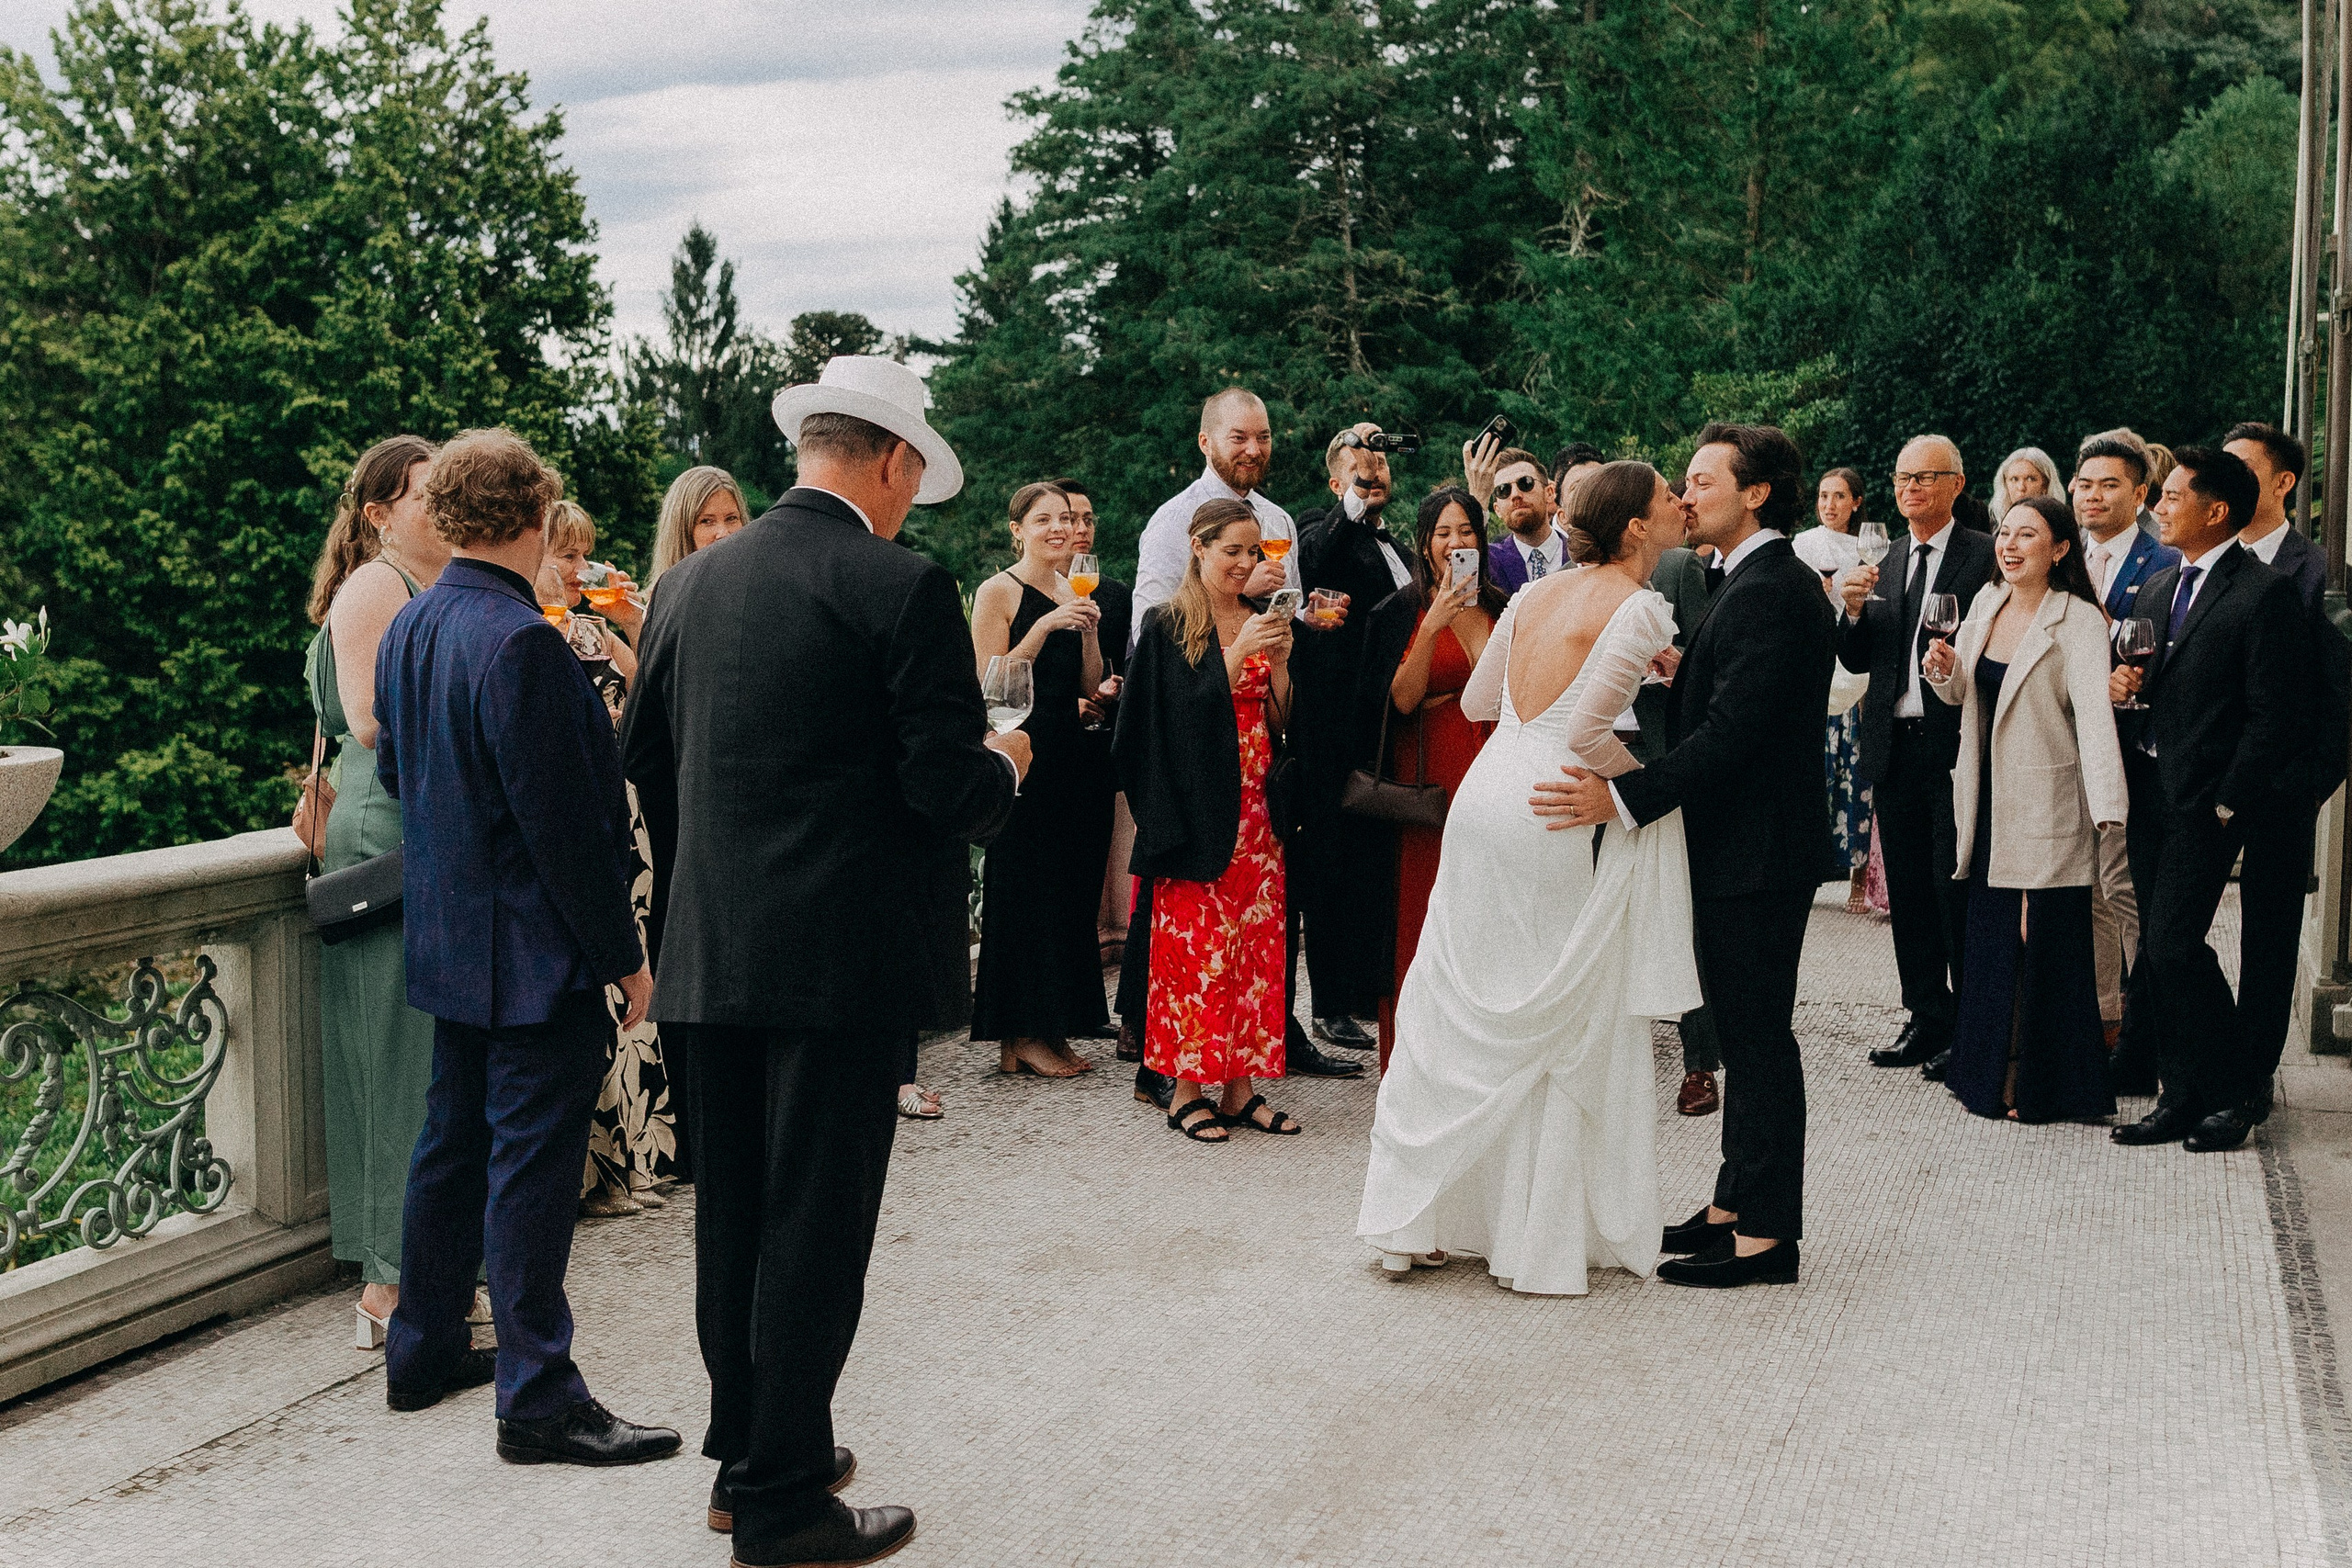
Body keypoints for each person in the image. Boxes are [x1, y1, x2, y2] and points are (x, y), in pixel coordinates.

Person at [623, 356, 1026, 1566]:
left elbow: (642, 762)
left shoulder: (686, 585)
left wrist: (698, 898)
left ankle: (745, 1449)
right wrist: (1011, 762)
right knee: (816, 1221)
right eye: (918, 475)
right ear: (895, 461)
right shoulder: (900, 584)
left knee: (734, 1212)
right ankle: (785, 1496)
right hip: (841, 958)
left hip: (709, 948)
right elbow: (946, 787)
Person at [373, 428, 676, 1466]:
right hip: (532, 953)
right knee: (529, 1172)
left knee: (449, 1151)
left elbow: (397, 784)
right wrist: (626, 957)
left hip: (451, 938)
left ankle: (417, 1353)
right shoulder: (524, 643)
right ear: (539, 521)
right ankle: (538, 1396)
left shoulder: (412, 629)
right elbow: (570, 830)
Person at [1358, 461, 1699, 1292]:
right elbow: (1587, 730)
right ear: (1635, 530)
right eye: (1666, 498)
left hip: (1486, 794)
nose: (1680, 505)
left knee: (1455, 996)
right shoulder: (1640, 603)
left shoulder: (1535, 596)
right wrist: (1640, 791)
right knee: (1549, 1008)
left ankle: (1412, 1218)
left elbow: (1478, 701)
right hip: (1551, 804)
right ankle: (1530, 1236)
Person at [1532, 424, 1836, 1289]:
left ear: (1757, 494)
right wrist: (1685, 667)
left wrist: (1623, 796)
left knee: (1761, 1039)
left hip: (1759, 850)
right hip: (1742, 842)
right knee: (1743, 1032)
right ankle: (1734, 1202)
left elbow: (1736, 735)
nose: (1686, 493)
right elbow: (1738, 697)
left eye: (1703, 480)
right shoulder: (1749, 580)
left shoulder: (1774, 589)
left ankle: (1768, 1234)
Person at [1122, 391, 1360, 1089]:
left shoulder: (1281, 516)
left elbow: (1280, 607)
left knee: (1261, 921)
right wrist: (1232, 611)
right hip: (1195, 751)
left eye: (1262, 436)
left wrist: (1304, 616)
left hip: (1262, 752)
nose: (1252, 449)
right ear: (1206, 441)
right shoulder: (1171, 521)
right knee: (1185, 919)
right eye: (1238, 437)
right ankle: (1164, 1060)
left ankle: (1261, 1044)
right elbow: (1153, 636)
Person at [2109, 446, 2307, 1155]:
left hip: (2208, 804)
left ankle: (2233, 1092)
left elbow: (2273, 716)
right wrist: (2126, 692)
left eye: (2171, 496)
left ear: (2215, 511)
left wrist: (2229, 803)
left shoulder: (2264, 592)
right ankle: (2179, 1092)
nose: (2159, 506)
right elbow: (2152, 682)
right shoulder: (2162, 589)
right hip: (2152, 793)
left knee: (2170, 945)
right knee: (2164, 954)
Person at [303, 434, 446, 1348]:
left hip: (419, 828)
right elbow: (367, 723)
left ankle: (421, 1267)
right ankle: (386, 1292)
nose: (445, 506)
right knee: (395, 1064)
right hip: (384, 838)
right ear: (381, 514)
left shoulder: (424, 588)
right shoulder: (376, 589)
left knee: (425, 1061)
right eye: (427, 494)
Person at [1921, 496, 2124, 1122]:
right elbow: (1968, 695)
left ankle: (2046, 1087)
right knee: (1991, 939)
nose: (2008, 544)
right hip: (1984, 802)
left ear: (2060, 549)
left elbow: (2094, 717)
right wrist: (1945, 670)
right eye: (2004, 532)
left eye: (2026, 535)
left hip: (2048, 802)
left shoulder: (2081, 620)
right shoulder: (1986, 602)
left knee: (2042, 940)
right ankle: (1985, 1078)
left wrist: (2109, 808)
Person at [1114, 499, 1302, 1143]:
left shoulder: (1256, 616)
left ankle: (1241, 1087)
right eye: (1234, 551)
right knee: (1194, 951)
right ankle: (1186, 1088)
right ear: (1199, 547)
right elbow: (1164, 726)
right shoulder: (1168, 625)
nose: (1246, 563)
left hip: (1257, 813)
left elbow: (1280, 724)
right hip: (1195, 812)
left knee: (1255, 950)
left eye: (1255, 552)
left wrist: (1277, 667)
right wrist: (1236, 653)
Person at [1833, 435, 1998, 1080]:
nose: (1911, 489)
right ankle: (1925, 1014)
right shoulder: (1887, 556)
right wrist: (1849, 613)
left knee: (1950, 885)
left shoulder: (1986, 556)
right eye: (1902, 477)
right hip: (1893, 744)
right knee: (1907, 891)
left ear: (1957, 484)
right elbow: (1857, 658)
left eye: (1926, 477)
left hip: (1956, 745)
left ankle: (1969, 1023)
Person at [537, 499, 680, 1217]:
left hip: (630, 816)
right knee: (596, 980)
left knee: (638, 973)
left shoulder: (590, 625)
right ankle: (590, 1171)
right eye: (563, 553)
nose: (574, 569)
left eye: (581, 554)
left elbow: (660, 692)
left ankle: (639, 1153)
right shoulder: (528, 635)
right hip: (584, 819)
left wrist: (631, 618)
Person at [2222, 422, 2349, 1120]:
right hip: (2203, 781)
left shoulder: (2318, 572)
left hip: (2280, 789)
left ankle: (2251, 1076)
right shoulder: (2201, 560)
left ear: (2283, 482)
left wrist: (2299, 788)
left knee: (2268, 939)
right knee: (2169, 927)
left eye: (2244, 467)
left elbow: (2338, 701)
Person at [1357, 484, 1507, 1068]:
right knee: (1424, 904)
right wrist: (1433, 623)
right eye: (1442, 533)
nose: (1454, 543)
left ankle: (1482, 1052)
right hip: (1430, 769)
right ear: (1424, 543)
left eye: (1465, 531)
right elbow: (1398, 700)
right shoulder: (1403, 609)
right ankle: (1418, 1058)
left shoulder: (1503, 603)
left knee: (1486, 905)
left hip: (1493, 761)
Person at [967, 481, 1114, 1076]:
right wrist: (1047, 624)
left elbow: (1088, 683)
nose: (1060, 527)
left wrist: (1089, 629)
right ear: (1018, 528)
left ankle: (1051, 1029)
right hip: (1022, 756)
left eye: (1068, 517)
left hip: (1069, 757)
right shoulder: (997, 590)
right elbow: (989, 682)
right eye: (1045, 518)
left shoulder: (1069, 587)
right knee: (1023, 894)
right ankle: (1018, 1036)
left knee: (1064, 895)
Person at [1293, 423, 1420, 1055]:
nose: (1373, 472)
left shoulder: (1394, 542)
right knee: (1332, 858)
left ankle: (1372, 986)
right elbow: (1315, 562)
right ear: (1335, 479)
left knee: (1375, 855)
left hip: (1389, 715)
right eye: (1357, 465)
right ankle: (1330, 1002)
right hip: (1335, 723)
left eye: (1379, 464)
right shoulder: (1321, 528)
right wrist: (1354, 501)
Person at [2072, 434, 2177, 1067]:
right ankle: (2104, 1019)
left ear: (2140, 494)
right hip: (2068, 747)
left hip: (2134, 751)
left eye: (2108, 484)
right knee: (2082, 888)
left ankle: (2150, 1025)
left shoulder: (2163, 563)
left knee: (2124, 887)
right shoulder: (2060, 555)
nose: (2092, 494)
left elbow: (2173, 656)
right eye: (2084, 483)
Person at [1642, 542, 1724, 1116]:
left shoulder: (1675, 567)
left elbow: (1707, 659)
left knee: (1683, 909)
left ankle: (1700, 1062)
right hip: (1583, 766)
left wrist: (1675, 668)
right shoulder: (1556, 582)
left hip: (1660, 755)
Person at [1053, 478, 1136, 980]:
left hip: (1102, 737)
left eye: (1087, 519)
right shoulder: (1026, 587)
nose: (1080, 529)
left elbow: (1112, 663)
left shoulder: (1113, 593)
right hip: (1050, 737)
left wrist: (1110, 689)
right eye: (1069, 519)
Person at [1797, 468, 1874, 911]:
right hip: (1816, 669)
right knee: (1816, 773)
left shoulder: (1869, 549)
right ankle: (1810, 868)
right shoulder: (1801, 545)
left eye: (1839, 496)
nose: (1829, 504)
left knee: (1856, 774)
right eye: (1823, 495)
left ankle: (1858, 879)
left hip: (1854, 673)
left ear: (1856, 503)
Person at [645, 465, 751, 592]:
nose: (724, 533)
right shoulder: (662, 603)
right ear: (681, 532)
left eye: (731, 518)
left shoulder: (762, 587)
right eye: (707, 521)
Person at [1483, 446, 1566, 595]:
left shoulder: (1582, 554)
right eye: (1503, 490)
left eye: (1525, 483)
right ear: (1497, 510)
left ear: (1549, 493)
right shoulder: (1490, 562)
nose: (1515, 494)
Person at [1990, 447, 2062, 525]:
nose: (2021, 487)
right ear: (2005, 484)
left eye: (2030, 479)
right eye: (2014, 479)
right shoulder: (1992, 528)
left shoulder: (2059, 525)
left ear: (2045, 485)